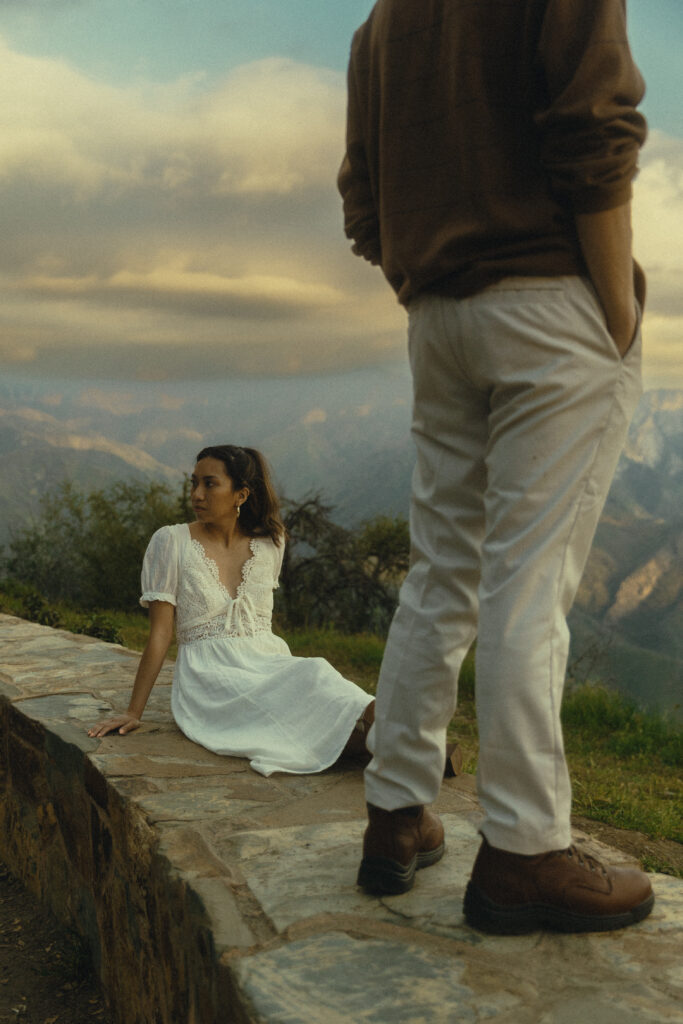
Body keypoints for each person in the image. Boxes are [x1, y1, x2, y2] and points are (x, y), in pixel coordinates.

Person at [338, 0, 655, 933]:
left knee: (441, 571)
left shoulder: (381, 25)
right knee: (530, 581)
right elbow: (593, 127)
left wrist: (424, 276)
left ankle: (395, 816)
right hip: (554, 303)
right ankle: (523, 852)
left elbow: (363, 202)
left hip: (438, 317)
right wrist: (615, 311)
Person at [88, 445, 375, 775]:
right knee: (297, 709)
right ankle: (414, 749)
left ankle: (403, 740)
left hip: (269, 660)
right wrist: (133, 711)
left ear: (240, 495)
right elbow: (161, 634)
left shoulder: (272, 542)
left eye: (210, 484)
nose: (197, 495)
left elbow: (258, 626)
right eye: (194, 483)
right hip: (210, 675)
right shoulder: (171, 542)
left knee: (316, 673)